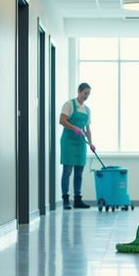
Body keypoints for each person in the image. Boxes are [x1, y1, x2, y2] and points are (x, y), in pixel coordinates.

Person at [60, 82, 95, 210]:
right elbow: (62, 120)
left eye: (88, 94)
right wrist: (74, 128)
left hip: (81, 143)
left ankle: (78, 199)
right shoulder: (69, 105)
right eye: (85, 93)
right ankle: (65, 199)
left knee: (79, 173)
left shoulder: (87, 110)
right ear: (79, 91)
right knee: (67, 172)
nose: (86, 96)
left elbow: (88, 129)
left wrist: (91, 144)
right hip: (68, 142)